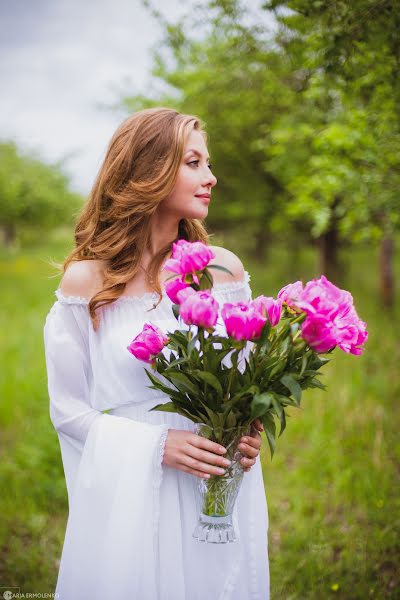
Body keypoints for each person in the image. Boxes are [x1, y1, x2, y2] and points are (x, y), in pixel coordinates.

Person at [43, 107, 270, 599]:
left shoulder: (223, 274)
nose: (211, 177)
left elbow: (244, 385)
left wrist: (249, 431)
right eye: (194, 163)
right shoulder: (87, 281)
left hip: (216, 479)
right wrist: (154, 448)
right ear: (149, 169)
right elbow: (66, 409)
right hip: (136, 491)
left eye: (207, 164)